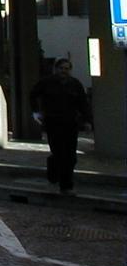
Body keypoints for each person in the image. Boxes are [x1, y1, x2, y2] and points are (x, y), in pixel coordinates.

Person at [29, 58, 91, 195]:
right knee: (58, 153)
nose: (64, 71)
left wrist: (87, 121)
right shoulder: (46, 83)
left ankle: (66, 185)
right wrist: (36, 112)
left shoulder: (75, 84)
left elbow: (83, 103)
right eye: (62, 68)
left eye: (67, 68)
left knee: (70, 156)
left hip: (70, 123)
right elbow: (33, 94)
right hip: (53, 122)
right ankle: (56, 175)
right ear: (56, 69)